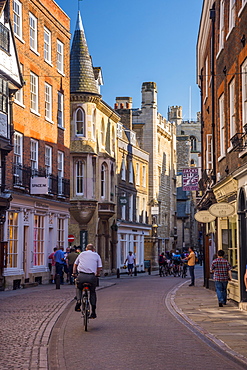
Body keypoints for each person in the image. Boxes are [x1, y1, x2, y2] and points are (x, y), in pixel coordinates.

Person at [73, 244, 102, 319]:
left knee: (78, 287)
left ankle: (79, 301)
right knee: (92, 292)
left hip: (81, 276)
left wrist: (74, 273)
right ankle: (93, 312)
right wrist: (97, 274)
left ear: (86, 249)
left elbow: (75, 265)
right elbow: (99, 267)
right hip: (91, 277)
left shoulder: (81, 254)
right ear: (93, 249)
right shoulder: (96, 255)